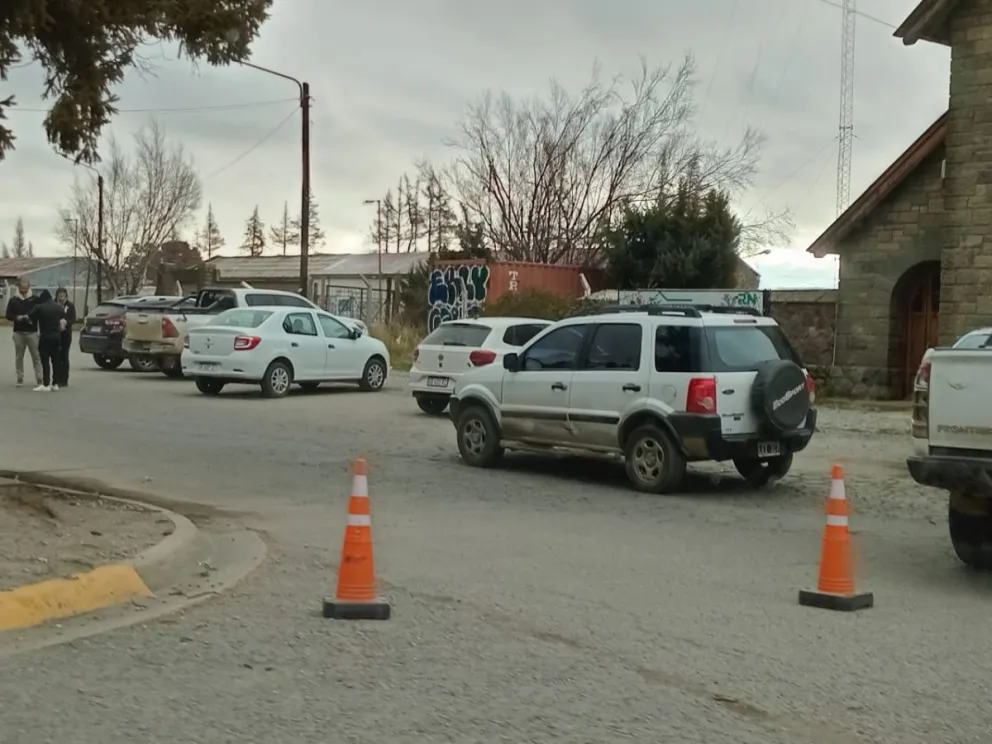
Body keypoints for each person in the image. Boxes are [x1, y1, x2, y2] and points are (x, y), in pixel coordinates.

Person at [5, 277, 42, 387]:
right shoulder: (13, 300)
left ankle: (39, 378)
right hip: (18, 332)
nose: (24, 291)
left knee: (36, 356)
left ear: (29, 287)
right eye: (22, 288)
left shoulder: (35, 299)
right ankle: (20, 378)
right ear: (18, 288)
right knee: (19, 357)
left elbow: (40, 314)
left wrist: (30, 317)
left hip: (32, 332)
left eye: (26, 288)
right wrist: (17, 317)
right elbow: (8, 315)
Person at [28, 290, 67, 392]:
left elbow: (31, 317)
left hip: (45, 336)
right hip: (57, 337)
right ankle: (55, 383)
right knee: (56, 361)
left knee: (45, 361)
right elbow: (63, 319)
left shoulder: (39, 307)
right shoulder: (59, 307)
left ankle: (46, 384)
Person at [54, 287, 76, 387]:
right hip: (55, 334)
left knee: (64, 356)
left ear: (66, 295)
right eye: (60, 294)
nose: (61, 296)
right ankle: (56, 378)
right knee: (56, 357)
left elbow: (73, 318)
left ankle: (64, 379)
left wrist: (66, 322)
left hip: (66, 334)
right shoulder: (54, 304)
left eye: (63, 294)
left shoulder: (70, 305)